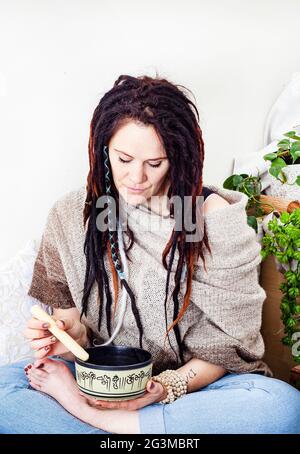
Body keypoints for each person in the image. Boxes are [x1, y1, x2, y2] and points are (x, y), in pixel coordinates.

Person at [1, 74, 300, 434]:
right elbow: (76, 331)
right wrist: (65, 336)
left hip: (190, 390)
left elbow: (226, 348)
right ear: (102, 147)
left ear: (178, 157)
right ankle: (139, 431)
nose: (135, 178)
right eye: (123, 158)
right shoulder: (73, 213)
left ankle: (99, 421)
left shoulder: (203, 216)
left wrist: (164, 389)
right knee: (6, 389)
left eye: (155, 164)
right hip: (100, 379)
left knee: (280, 407)